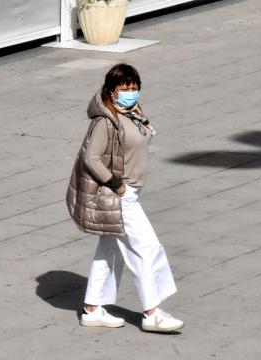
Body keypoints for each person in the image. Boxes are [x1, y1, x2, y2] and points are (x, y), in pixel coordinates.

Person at [66, 63, 184, 333]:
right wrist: (117, 185)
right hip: (120, 195)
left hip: (130, 192)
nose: (131, 92)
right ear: (111, 90)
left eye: (134, 87)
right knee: (145, 248)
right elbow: (91, 158)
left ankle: (93, 308)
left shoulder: (131, 113)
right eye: (125, 88)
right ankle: (151, 313)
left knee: (110, 251)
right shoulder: (106, 121)